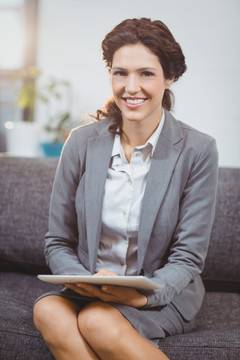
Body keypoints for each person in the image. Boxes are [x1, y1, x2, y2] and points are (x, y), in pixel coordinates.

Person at [33, 18, 218, 360]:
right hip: (88, 286)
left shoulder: (198, 150)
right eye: (120, 73)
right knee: (48, 312)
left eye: (146, 73)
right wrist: (84, 281)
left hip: (158, 294)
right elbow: (57, 241)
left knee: (97, 321)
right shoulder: (81, 143)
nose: (131, 87)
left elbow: (188, 257)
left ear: (170, 77)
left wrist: (141, 296)